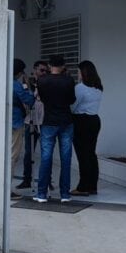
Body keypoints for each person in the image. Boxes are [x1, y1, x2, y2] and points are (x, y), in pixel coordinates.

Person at [34, 54, 76, 203]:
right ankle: (65, 194)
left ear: (50, 66)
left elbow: (42, 98)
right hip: (66, 121)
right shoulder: (69, 80)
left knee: (46, 158)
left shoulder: (42, 80)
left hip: (49, 121)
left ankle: (41, 194)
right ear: (63, 66)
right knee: (66, 159)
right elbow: (72, 100)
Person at [70, 60, 103, 196]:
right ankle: (92, 186)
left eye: (79, 72)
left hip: (81, 121)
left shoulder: (80, 88)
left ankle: (83, 187)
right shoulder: (98, 87)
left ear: (83, 73)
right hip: (94, 120)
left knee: (82, 155)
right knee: (91, 154)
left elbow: (73, 106)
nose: (78, 74)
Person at [17, 60, 48, 190]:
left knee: (46, 152)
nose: (44, 73)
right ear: (35, 69)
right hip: (30, 120)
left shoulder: (47, 82)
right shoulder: (27, 82)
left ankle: (47, 180)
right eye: (41, 70)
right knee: (28, 152)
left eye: (46, 70)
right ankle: (27, 179)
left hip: (44, 121)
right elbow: (25, 99)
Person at [11, 59, 35, 199]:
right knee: (12, 156)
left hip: (1, 123)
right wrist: (27, 85)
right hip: (15, 123)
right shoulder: (16, 85)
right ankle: (7, 188)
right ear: (19, 72)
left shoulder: (1, 81)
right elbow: (29, 100)